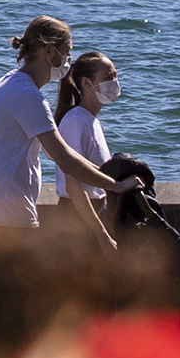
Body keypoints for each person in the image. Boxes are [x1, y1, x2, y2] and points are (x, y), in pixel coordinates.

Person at [0, 17, 130, 244]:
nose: (68, 60)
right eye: (66, 51)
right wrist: (116, 185)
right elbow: (65, 160)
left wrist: (103, 174)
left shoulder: (9, 82)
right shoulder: (28, 96)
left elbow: (59, 151)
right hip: (9, 216)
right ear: (49, 51)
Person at [57, 51, 120, 228]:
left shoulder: (91, 121)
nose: (114, 82)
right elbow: (73, 185)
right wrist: (101, 235)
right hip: (76, 218)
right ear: (86, 82)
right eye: (108, 77)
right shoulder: (75, 121)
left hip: (94, 211)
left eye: (115, 76)